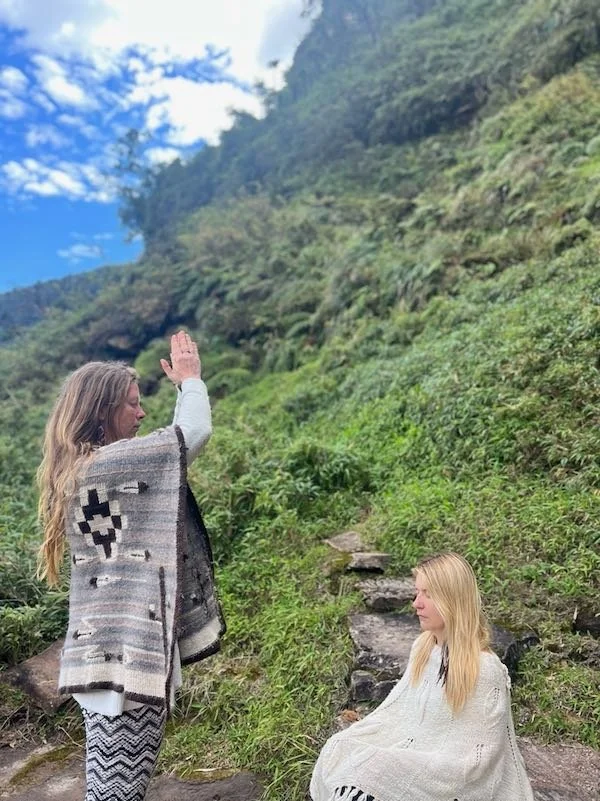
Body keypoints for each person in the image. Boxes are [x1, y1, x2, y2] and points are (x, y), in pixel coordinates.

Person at [37, 330, 225, 801]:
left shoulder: (82, 467)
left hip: (103, 652)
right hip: (125, 661)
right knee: (117, 792)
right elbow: (191, 435)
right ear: (102, 411)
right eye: (132, 404)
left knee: (112, 787)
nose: (141, 414)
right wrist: (190, 380)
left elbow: (170, 454)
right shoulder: (111, 465)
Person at [310, 552, 534, 801]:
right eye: (417, 593)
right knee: (341, 747)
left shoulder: (485, 669)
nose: (417, 603)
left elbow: (478, 762)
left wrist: (392, 762)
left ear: (453, 600)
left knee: (372, 769)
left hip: (452, 776)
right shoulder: (424, 648)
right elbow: (396, 717)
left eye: (428, 594)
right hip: (417, 757)